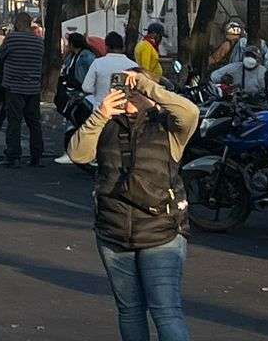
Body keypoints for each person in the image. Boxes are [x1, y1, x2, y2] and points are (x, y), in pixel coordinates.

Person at [66, 69, 199, 341]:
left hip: (161, 234)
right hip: (114, 233)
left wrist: (147, 87)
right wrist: (101, 114)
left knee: (166, 312)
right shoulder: (107, 125)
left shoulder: (168, 127)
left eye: (134, 90)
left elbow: (190, 113)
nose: (129, 96)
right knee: (130, 311)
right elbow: (78, 153)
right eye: (126, 89)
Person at [0, 10, 45, 167]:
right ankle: (36, 155)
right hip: (33, 87)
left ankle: (13, 156)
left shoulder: (12, 38)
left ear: (18, 23)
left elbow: (0, 55)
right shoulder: (39, 42)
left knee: (14, 122)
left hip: (14, 86)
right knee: (34, 123)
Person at [54, 33, 96, 164]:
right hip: (73, 92)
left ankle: (71, 151)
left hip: (81, 93)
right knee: (73, 121)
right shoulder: (73, 56)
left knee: (74, 122)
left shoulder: (86, 57)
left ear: (72, 44)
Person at [82, 32, 141, 110]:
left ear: (106, 47)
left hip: (101, 110)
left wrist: (100, 90)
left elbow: (86, 87)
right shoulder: (133, 65)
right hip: (125, 112)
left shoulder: (98, 63)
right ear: (123, 47)